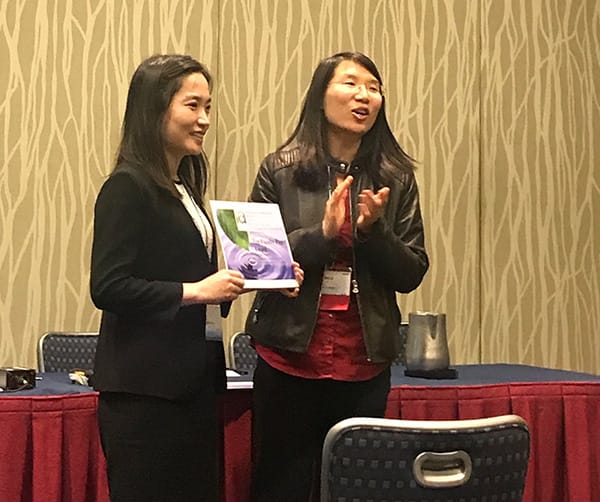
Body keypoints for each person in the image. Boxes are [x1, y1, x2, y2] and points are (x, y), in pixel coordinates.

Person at [245, 51, 429, 501]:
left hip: (363, 363)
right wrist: (322, 234)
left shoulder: (396, 177)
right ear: (320, 97)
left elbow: (412, 272)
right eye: (350, 84)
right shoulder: (280, 169)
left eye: (373, 87)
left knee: (356, 490)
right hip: (288, 358)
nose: (364, 95)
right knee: (280, 488)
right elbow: (253, 262)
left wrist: (374, 233)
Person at [89, 54, 248, 502]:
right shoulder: (127, 185)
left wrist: (249, 279)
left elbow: (197, 284)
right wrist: (196, 292)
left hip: (192, 387)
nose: (204, 120)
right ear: (155, 109)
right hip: (144, 395)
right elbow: (108, 286)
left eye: (209, 108)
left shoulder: (185, 189)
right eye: (192, 106)